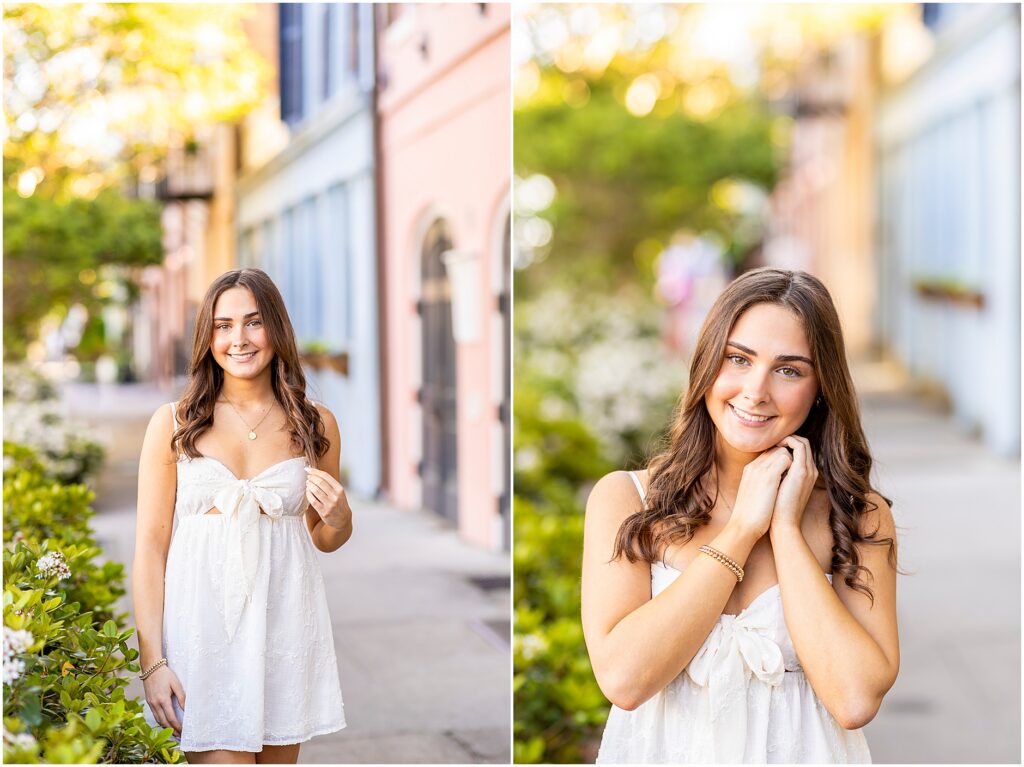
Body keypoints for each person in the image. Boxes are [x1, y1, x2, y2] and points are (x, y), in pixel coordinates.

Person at [582, 268, 899, 763]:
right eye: (738, 358)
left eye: (789, 369)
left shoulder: (861, 516)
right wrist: (742, 529)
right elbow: (625, 680)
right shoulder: (626, 500)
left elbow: (854, 698)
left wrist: (786, 531)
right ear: (707, 363)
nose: (756, 390)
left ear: (820, 388)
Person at [132, 268, 350, 764]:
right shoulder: (173, 422)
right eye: (222, 325)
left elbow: (325, 536)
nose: (239, 339)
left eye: (253, 322)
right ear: (207, 336)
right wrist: (153, 662)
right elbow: (150, 547)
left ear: (276, 327)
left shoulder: (316, 423)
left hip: (284, 625)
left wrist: (339, 516)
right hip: (202, 633)